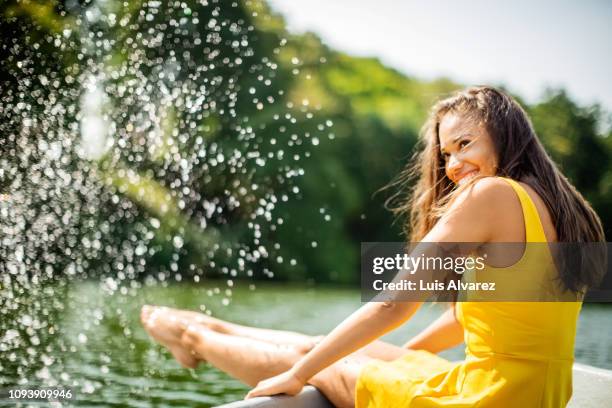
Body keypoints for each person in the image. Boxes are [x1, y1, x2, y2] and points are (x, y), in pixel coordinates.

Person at [140, 86, 605, 407]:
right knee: (331, 347)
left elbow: (391, 306)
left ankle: (191, 337)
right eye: (446, 153)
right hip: (530, 395)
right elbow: (467, 317)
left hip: (481, 399)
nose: (454, 164)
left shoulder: (491, 194)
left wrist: (298, 378)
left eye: (465, 144)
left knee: (304, 359)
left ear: (505, 137)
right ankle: (207, 323)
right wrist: (404, 355)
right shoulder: (564, 208)